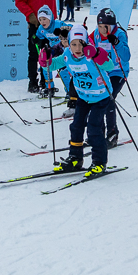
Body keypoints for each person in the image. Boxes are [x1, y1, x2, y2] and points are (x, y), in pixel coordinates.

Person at [41, 25, 118, 179]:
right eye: (73, 44)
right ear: (68, 44)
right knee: (76, 126)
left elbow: (110, 65)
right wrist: (46, 60)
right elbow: (54, 64)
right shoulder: (67, 55)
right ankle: (76, 158)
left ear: (86, 43)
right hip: (83, 96)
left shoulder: (92, 54)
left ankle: (99, 162)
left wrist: (97, 54)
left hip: (101, 96)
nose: (77, 48)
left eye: (80, 44)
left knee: (94, 127)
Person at [15, 0, 74, 93]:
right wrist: (30, 15)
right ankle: (33, 82)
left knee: (49, 55)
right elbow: (19, 1)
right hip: (36, 26)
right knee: (35, 54)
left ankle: (45, 82)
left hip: (52, 27)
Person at [90, 8, 130, 147]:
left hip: (118, 72)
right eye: (99, 26)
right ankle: (98, 133)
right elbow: (87, 45)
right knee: (97, 99)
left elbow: (126, 56)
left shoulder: (120, 34)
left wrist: (117, 43)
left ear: (112, 25)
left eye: (105, 27)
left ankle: (112, 133)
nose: (102, 29)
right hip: (102, 72)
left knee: (109, 98)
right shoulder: (95, 34)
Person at [34, 5, 70, 100]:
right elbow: (38, 36)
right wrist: (35, 39)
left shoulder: (58, 24)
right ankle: (50, 87)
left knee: (63, 71)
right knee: (46, 67)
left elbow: (72, 29)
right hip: (53, 49)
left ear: (50, 18)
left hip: (62, 49)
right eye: (40, 19)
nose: (42, 22)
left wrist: (66, 32)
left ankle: (69, 91)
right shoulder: (41, 29)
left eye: (44, 19)